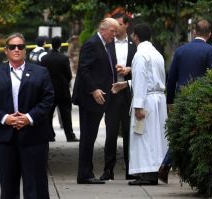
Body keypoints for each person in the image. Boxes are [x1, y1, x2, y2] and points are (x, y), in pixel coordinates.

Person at [0, 33, 54, 198]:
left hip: (34, 137)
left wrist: (28, 118)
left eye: (20, 47)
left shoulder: (41, 72)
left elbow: (48, 99)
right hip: (3, 138)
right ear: (5, 50)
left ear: (25, 50)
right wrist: (5, 118)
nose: (16, 50)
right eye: (12, 47)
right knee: (8, 186)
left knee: (36, 185)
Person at [112, 23, 168, 185]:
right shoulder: (156, 53)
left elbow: (142, 81)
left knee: (144, 136)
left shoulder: (140, 55)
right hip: (156, 99)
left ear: (135, 36)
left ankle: (148, 175)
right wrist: (127, 84)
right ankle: (150, 171)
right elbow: (152, 78)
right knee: (154, 137)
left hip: (146, 101)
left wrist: (138, 106)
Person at [159, 19, 212, 184]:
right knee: (196, 135)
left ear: (194, 32)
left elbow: (171, 77)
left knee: (181, 134)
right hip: (201, 99)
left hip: (181, 97)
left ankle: (166, 166)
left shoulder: (181, 51)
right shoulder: (210, 51)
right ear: (209, 34)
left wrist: (170, 101)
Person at [72, 17, 119, 184]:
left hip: (100, 98)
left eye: (116, 31)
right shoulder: (92, 44)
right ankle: (84, 175)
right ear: (103, 29)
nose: (114, 35)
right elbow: (83, 69)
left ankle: (87, 173)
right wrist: (93, 89)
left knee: (90, 137)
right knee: (87, 137)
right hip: (90, 98)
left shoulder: (105, 45)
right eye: (112, 31)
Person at [100, 13, 137, 181]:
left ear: (126, 25)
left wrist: (129, 69)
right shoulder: (107, 44)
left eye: (119, 24)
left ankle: (131, 169)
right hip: (113, 93)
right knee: (111, 132)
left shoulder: (134, 45)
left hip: (129, 93)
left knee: (130, 132)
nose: (116, 27)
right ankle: (108, 169)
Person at [41, 36, 79, 142]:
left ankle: (49, 135)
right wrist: (65, 83)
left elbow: (42, 74)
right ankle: (70, 136)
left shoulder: (44, 58)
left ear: (51, 44)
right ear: (60, 45)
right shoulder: (63, 58)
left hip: (49, 90)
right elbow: (68, 74)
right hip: (62, 90)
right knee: (66, 114)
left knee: (48, 114)